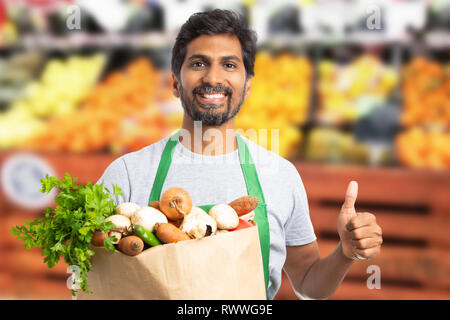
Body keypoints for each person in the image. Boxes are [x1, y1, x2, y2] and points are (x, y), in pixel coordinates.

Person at [98, 9, 382, 300]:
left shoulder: (280, 176)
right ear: (174, 83)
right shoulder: (127, 175)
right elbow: (93, 279)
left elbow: (309, 283)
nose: (213, 77)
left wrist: (345, 254)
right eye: (198, 63)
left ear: (247, 88)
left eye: (229, 65)